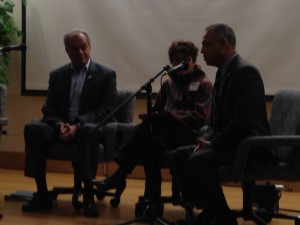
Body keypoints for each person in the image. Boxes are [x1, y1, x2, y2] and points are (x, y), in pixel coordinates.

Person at [170, 23, 276, 225]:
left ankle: (223, 218)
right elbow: (217, 120)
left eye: (206, 45)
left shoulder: (246, 72)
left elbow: (243, 123)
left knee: (197, 160)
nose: (201, 51)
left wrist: (214, 144)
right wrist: (207, 139)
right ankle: (211, 212)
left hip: (251, 146)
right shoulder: (223, 72)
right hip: (232, 143)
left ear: (223, 43)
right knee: (179, 155)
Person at [96, 40, 212, 204]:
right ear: (171, 62)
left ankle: (121, 175)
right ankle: (153, 201)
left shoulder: (203, 84)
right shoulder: (168, 83)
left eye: (186, 59)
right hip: (164, 134)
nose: (181, 63)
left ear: (194, 61)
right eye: (177, 59)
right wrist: (159, 116)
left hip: (189, 135)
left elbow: (201, 117)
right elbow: (157, 110)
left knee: (150, 131)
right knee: (150, 142)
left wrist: (172, 116)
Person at [22, 29, 117, 217]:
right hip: (61, 127)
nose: (80, 52)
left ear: (90, 48)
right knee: (33, 129)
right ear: (67, 51)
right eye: (75, 48)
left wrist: (77, 125)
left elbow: (106, 110)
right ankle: (42, 193)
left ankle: (88, 196)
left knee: (88, 130)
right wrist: (60, 125)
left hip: (87, 129)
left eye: (84, 47)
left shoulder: (106, 75)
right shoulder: (57, 75)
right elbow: (48, 109)